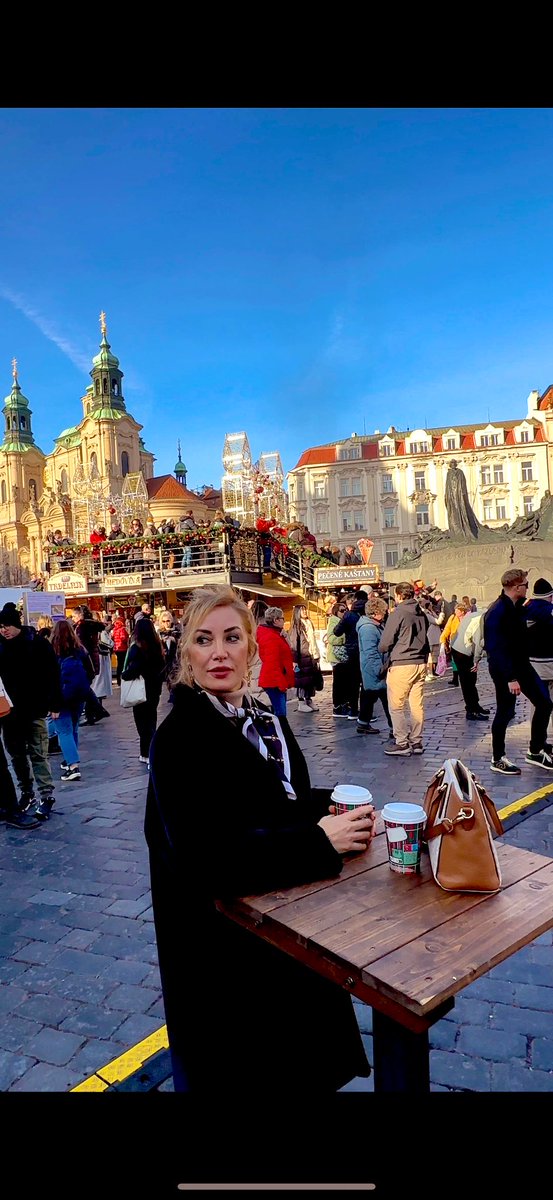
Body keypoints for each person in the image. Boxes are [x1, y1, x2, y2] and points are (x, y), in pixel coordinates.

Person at [144, 583, 376, 1093]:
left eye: (232, 637)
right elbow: (209, 857)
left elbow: (278, 799)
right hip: (225, 962)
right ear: (186, 653)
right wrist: (321, 842)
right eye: (204, 640)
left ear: (252, 645)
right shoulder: (179, 740)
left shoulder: (261, 718)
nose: (220, 652)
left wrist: (340, 805)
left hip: (281, 933)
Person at [483, 568, 553, 775]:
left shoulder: (518, 606)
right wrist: (510, 678)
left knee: (544, 703)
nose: (528, 589)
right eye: (526, 586)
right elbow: (495, 650)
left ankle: (536, 750)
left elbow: (541, 610)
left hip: (523, 666)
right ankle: (498, 758)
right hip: (506, 671)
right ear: (516, 587)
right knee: (505, 713)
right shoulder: (496, 612)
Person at [0, 600, 61, 824]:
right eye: (0, 626)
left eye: (6, 625)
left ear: (16, 624)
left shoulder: (36, 643)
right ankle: (26, 792)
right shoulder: (1, 646)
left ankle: (46, 794)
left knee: (38, 753)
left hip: (34, 709)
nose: (3, 630)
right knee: (16, 754)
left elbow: (53, 674)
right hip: (9, 713)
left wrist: (55, 703)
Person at [378, 582, 430, 757]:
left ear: (399, 595)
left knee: (397, 706)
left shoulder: (398, 613)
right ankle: (416, 741)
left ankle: (402, 743)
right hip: (420, 662)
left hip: (402, 663)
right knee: (417, 705)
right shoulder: (421, 613)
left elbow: (385, 643)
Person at [50, 619, 95, 783]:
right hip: (78, 696)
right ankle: (70, 759)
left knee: (64, 731)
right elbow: (91, 671)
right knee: (73, 728)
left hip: (60, 697)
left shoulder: (53, 651)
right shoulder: (80, 649)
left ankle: (73, 765)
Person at [121, 615, 165, 763]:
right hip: (154, 689)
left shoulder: (137, 648)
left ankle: (146, 753)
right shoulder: (157, 646)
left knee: (142, 724)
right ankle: (148, 752)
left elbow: (133, 669)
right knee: (151, 721)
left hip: (140, 689)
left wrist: (124, 675)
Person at [356, 596, 393, 737]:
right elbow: (371, 652)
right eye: (383, 612)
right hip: (375, 670)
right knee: (387, 699)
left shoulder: (372, 626)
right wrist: (380, 670)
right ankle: (394, 727)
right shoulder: (368, 629)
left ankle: (363, 723)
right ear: (376, 613)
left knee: (369, 696)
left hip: (371, 669)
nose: (385, 614)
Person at [331, 591, 368, 720]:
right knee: (366, 683)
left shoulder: (349, 615)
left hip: (352, 652)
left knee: (353, 682)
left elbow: (336, 632)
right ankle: (365, 712)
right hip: (367, 651)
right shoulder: (369, 612)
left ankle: (353, 710)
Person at [525, 577, 553, 744]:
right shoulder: (549, 609)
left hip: (533, 664)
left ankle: (536, 733)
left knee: (537, 702)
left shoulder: (525, 610)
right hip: (550, 662)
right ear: (549, 595)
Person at [72, 605, 110, 725]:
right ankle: (95, 712)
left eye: (74, 616)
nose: (72, 619)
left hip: (86, 660)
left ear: (79, 615)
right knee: (87, 687)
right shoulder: (91, 626)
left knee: (85, 687)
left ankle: (96, 712)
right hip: (93, 658)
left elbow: (80, 645)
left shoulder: (81, 627)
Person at [450, 608, 490, 721]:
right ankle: (471, 710)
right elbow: (479, 643)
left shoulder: (476, 614)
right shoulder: (481, 621)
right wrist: (476, 660)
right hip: (462, 652)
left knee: (471, 680)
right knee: (468, 682)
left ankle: (475, 706)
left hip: (458, 647)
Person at [256, 606, 295, 717]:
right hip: (274, 681)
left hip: (275, 679)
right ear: (276, 620)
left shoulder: (275, 634)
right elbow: (272, 663)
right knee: (280, 714)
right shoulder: (271, 637)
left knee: (278, 712)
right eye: (282, 618)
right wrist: (281, 683)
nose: (284, 621)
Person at [286, 604, 321, 713]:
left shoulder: (309, 623)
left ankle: (309, 699)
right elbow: (293, 645)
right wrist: (295, 660)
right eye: (302, 610)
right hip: (302, 657)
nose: (305, 612)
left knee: (310, 680)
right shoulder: (296, 627)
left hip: (311, 654)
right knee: (302, 680)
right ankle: (301, 702)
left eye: (305, 610)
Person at [325, 599, 349, 715]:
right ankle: (338, 706)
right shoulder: (334, 622)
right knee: (339, 683)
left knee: (344, 682)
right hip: (336, 657)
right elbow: (331, 638)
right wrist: (344, 637)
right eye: (342, 610)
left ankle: (344, 704)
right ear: (336, 612)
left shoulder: (342, 621)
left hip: (343, 657)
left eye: (345, 610)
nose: (344, 612)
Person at [444, 460, 480, 538]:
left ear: (456, 464)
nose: (453, 465)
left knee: (463, 509)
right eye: (452, 464)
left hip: (459, 494)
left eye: (454, 463)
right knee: (454, 511)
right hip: (452, 495)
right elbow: (448, 486)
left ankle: (466, 526)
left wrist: (463, 492)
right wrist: (447, 496)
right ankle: (457, 529)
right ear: (450, 465)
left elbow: (463, 482)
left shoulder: (460, 472)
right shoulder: (449, 473)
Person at [157, 610, 181, 694]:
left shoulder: (177, 631)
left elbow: (183, 643)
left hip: (176, 660)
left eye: (168, 621)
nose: (166, 623)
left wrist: (174, 640)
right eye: (163, 621)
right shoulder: (159, 632)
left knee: (176, 680)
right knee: (168, 680)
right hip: (165, 660)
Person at [112, 611, 129, 686]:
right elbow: (123, 638)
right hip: (122, 648)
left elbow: (113, 638)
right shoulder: (122, 629)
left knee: (119, 664)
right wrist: (127, 637)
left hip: (117, 648)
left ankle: (119, 679)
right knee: (122, 664)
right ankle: (121, 678)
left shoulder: (115, 629)